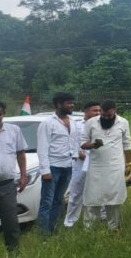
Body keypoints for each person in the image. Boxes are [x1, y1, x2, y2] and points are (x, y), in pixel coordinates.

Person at [0, 102, 27, 256]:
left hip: (7, 186)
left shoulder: (14, 130)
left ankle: (14, 254)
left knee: (11, 223)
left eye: (0, 114)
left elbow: (20, 153)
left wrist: (23, 175)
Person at [81, 100, 131, 230]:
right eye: (103, 115)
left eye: (109, 115)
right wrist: (93, 145)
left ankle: (114, 228)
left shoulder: (123, 122)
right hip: (96, 167)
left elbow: (127, 144)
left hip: (115, 166)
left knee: (114, 198)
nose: (106, 118)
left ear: (115, 111)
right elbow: (83, 143)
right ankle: (89, 228)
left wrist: (128, 163)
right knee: (92, 197)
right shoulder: (91, 123)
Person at [36, 91, 77, 235]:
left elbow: (74, 143)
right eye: (69, 103)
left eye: (72, 102)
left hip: (68, 166)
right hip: (52, 167)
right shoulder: (48, 123)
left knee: (59, 200)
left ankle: (52, 229)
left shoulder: (72, 121)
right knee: (47, 202)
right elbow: (42, 148)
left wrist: (76, 155)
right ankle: (43, 234)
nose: (72, 105)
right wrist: (45, 171)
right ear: (59, 104)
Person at [64, 101, 103, 228]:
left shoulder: (102, 125)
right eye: (95, 110)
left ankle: (102, 217)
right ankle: (70, 220)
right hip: (80, 163)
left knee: (101, 190)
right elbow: (70, 142)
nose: (98, 113)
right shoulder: (76, 125)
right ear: (86, 112)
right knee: (76, 192)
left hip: (98, 162)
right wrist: (78, 153)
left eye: (99, 110)